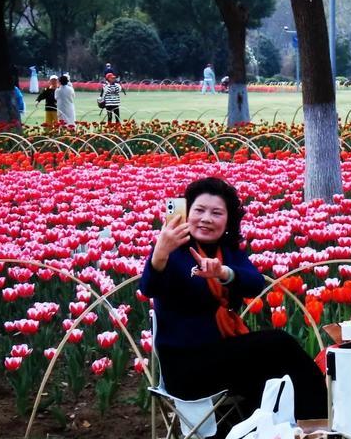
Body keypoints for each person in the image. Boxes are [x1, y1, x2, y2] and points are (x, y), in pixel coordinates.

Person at [140, 176, 327, 421]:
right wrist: (160, 253)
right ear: (187, 213)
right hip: (185, 366)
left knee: (275, 365)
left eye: (217, 212)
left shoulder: (229, 253)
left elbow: (255, 283)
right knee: (279, 344)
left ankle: (280, 430)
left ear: (228, 220)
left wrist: (222, 273)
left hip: (223, 357)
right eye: (199, 210)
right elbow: (149, 287)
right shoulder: (173, 253)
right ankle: (321, 423)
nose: (207, 218)